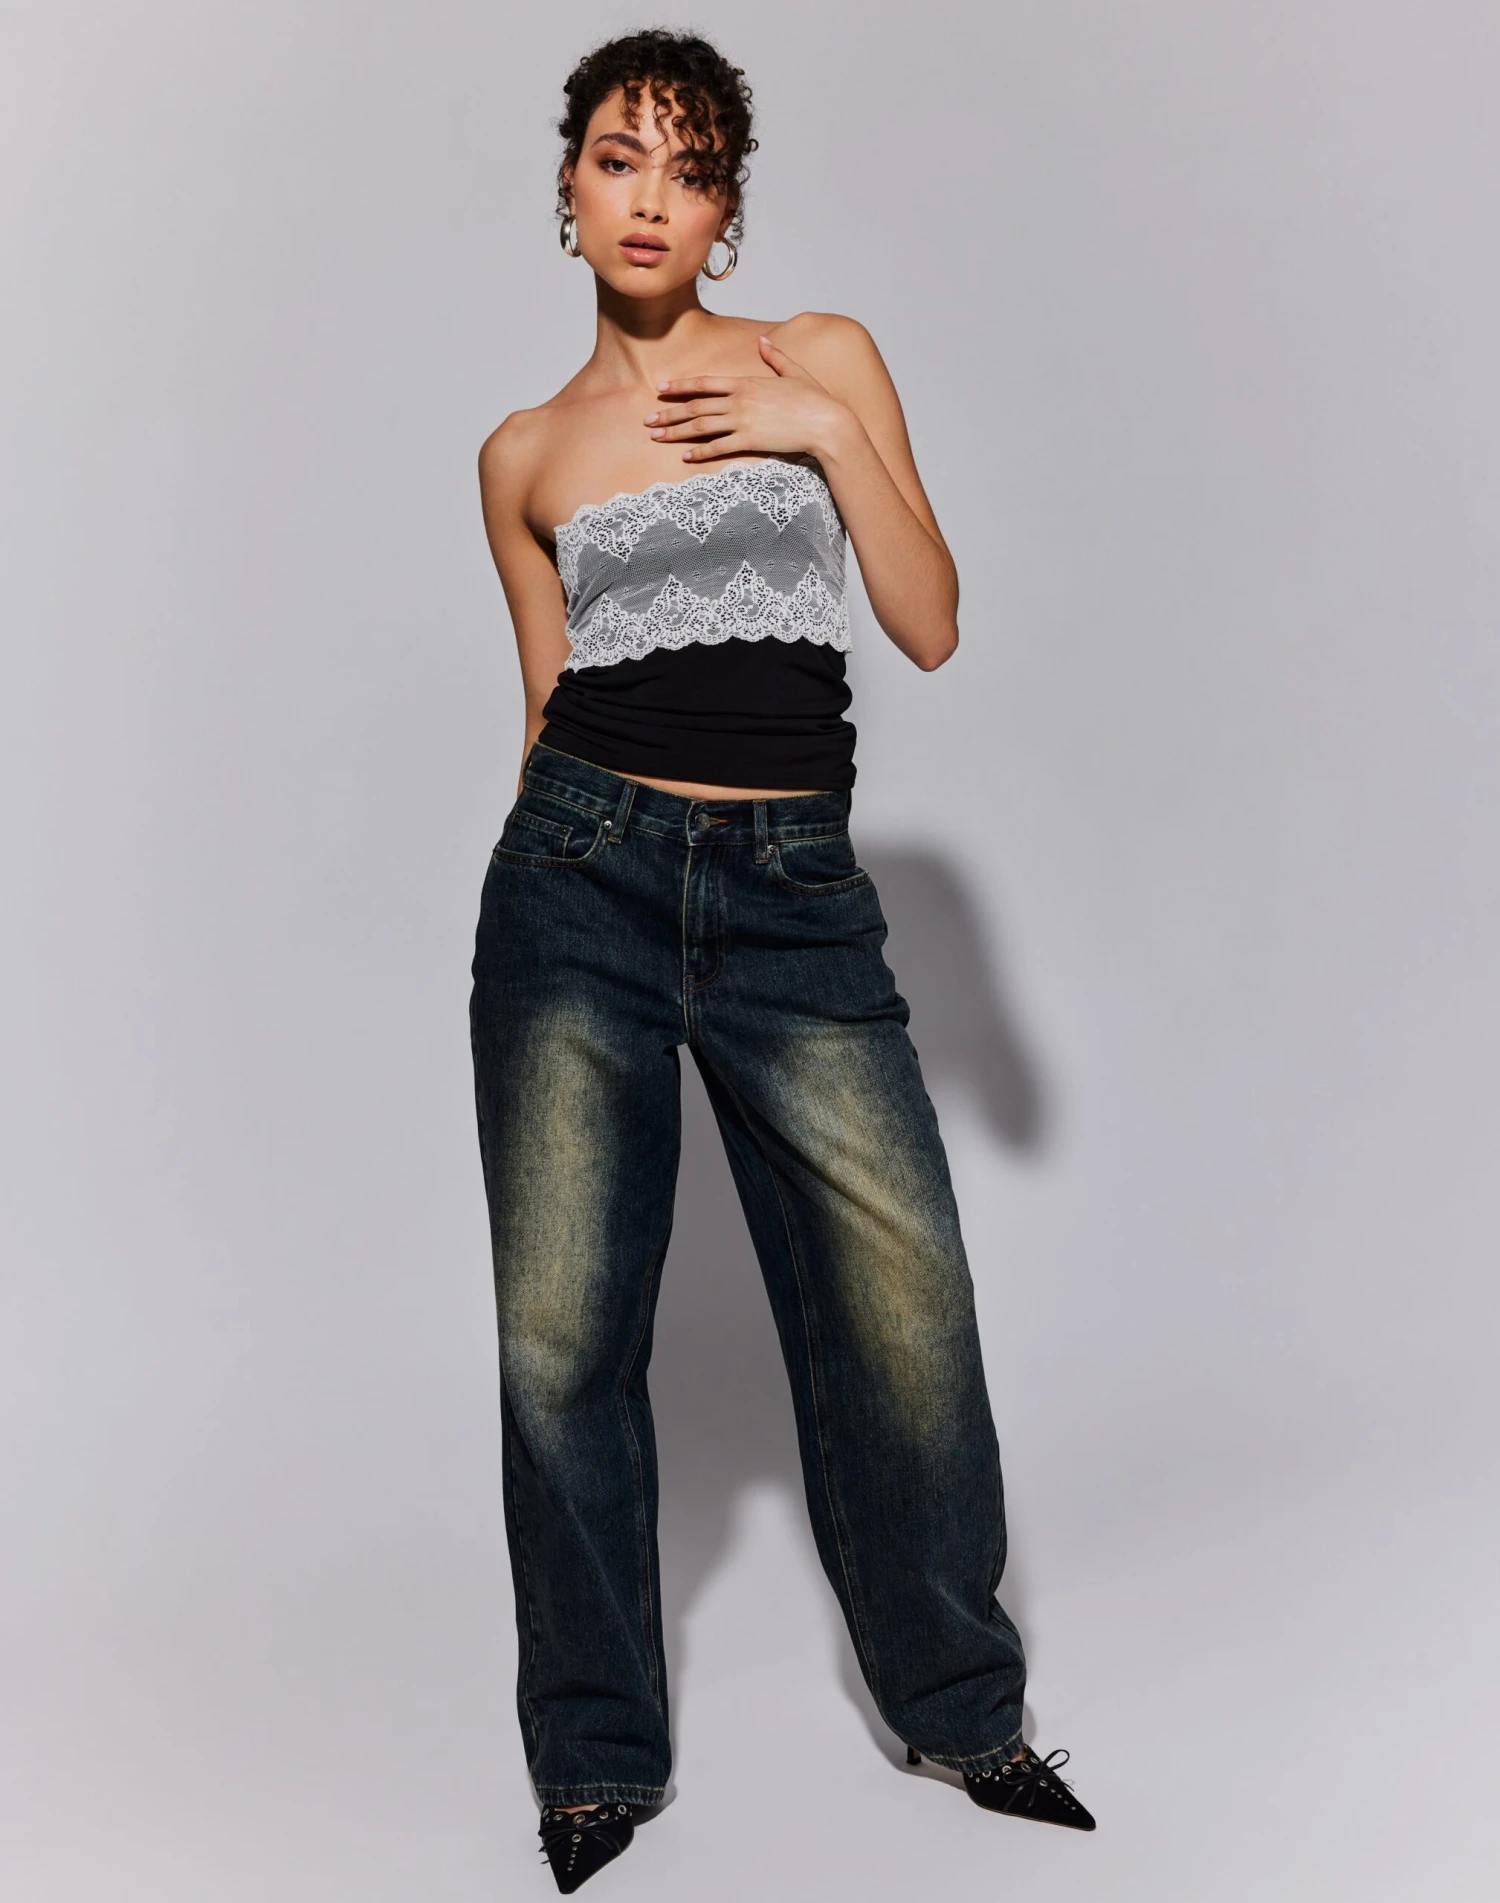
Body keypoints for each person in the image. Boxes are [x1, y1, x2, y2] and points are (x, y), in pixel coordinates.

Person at [470, 29, 1095, 1893]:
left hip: (797, 892)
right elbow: (542, 704)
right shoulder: (522, 455)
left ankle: (964, 1707)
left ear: (726, 208)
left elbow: (931, 620)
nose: (648, 196)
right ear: (567, 187)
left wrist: (821, 433)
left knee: (907, 1299)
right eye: (617, 157)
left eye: (688, 167)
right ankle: (593, 1756)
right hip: (576, 878)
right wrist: (538, 904)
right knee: (563, 1339)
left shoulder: (818, 357)